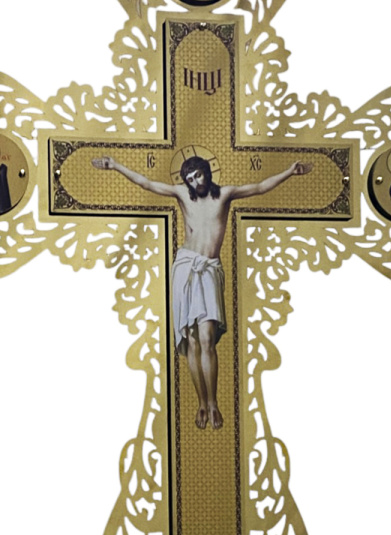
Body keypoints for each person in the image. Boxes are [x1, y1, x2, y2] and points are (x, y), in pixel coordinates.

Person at [92, 153, 312, 430]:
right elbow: (147, 183)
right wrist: (115, 166)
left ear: (207, 172)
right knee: (193, 341)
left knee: (207, 338)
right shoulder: (183, 195)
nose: (195, 182)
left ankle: (214, 402)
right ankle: (202, 403)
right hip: (185, 267)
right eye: (190, 178)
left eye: (198, 175)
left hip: (209, 269)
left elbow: (259, 187)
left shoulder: (225, 195)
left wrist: (289, 172)